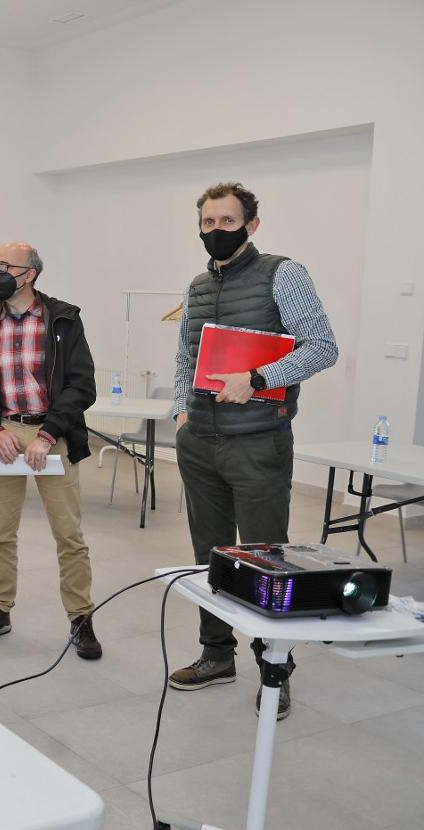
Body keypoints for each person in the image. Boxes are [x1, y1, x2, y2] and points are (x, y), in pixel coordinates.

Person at [169, 182, 338, 720]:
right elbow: (185, 358)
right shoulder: (198, 286)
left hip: (259, 442)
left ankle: (274, 670)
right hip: (201, 441)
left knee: (266, 560)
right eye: (208, 222)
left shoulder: (282, 274)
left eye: (227, 221)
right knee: (209, 556)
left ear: (251, 225)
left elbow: (322, 347)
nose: (216, 230)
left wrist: (259, 377)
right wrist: (181, 411)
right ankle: (217, 655)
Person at [0, 242, 102, 658]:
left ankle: (81, 617)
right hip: (3, 433)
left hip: (52, 433)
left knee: (69, 535)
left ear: (30, 274)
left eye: (6, 266)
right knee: (0, 533)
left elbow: (82, 385)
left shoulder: (64, 319)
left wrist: (48, 433)